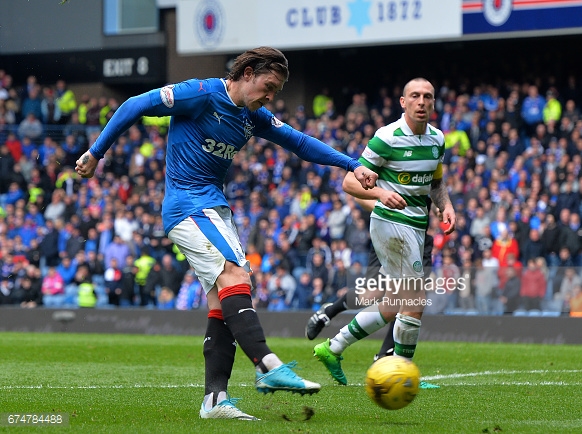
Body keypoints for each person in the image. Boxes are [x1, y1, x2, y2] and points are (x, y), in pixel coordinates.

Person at [75, 46, 378, 420]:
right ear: (247, 72)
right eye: (267, 86)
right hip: (188, 205)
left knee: (222, 299)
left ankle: (214, 400)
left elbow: (299, 143)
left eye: (276, 92)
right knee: (237, 274)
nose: (270, 97)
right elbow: (135, 104)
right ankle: (267, 366)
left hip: (213, 207)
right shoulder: (201, 93)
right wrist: (95, 153)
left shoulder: (253, 116)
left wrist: (352, 163)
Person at [311, 77, 455, 386]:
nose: (421, 101)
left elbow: (437, 182)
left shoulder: (437, 140)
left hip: (416, 227)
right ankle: (401, 372)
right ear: (403, 102)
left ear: (433, 103)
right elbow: (350, 181)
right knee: (415, 301)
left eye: (427, 97)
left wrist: (446, 205)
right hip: (391, 223)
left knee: (391, 303)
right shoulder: (387, 137)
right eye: (414, 96)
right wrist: (379, 194)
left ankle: (332, 347)